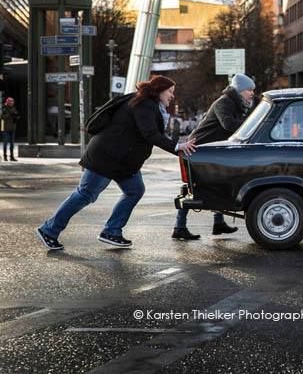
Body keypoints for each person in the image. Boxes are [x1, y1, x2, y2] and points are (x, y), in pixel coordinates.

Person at [36, 76, 197, 251]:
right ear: (159, 90)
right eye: (170, 91)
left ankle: (112, 231)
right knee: (85, 194)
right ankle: (49, 230)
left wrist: (177, 147)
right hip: (106, 157)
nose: (172, 96)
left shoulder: (145, 103)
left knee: (134, 190)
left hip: (123, 161)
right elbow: (150, 134)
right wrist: (178, 146)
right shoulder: (144, 104)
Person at [172, 73, 256, 240]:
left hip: (208, 150)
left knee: (216, 184)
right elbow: (228, 124)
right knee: (193, 187)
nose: (252, 93)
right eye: (249, 90)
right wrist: (252, 125)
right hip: (196, 149)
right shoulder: (224, 102)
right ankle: (179, 227)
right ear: (239, 90)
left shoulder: (236, 104)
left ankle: (218, 223)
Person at [1, 97, 21, 161]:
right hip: (5, 128)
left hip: (12, 128)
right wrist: (9, 114)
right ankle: (5, 156)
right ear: (7, 102)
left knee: (12, 143)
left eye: (13, 101)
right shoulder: (3, 108)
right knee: (5, 143)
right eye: (11, 102)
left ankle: (11, 156)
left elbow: (16, 115)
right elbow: (2, 117)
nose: (12, 103)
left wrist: (17, 116)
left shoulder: (13, 108)